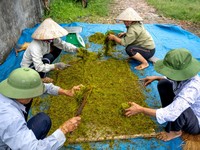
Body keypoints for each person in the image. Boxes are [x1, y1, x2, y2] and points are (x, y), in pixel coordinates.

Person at [125, 48, 200, 141]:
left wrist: (141, 109)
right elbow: (171, 79)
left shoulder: (193, 88)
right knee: (163, 83)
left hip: (195, 120)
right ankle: (167, 112)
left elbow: (173, 112)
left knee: (181, 111)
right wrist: (156, 77)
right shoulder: (183, 77)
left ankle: (176, 132)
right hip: (182, 106)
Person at [0, 67, 82, 149]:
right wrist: (64, 129)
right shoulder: (10, 118)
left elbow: (44, 88)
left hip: (11, 133)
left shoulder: (10, 89)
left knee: (43, 120)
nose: (34, 95)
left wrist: (66, 92)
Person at [20, 18, 78, 83]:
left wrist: (76, 49)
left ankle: (48, 65)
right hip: (29, 68)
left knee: (58, 47)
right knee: (48, 58)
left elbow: (62, 44)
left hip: (41, 57)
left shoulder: (51, 39)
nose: (52, 39)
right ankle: (42, 78)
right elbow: (38, 67)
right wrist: (55, 66)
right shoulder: (35, 46)